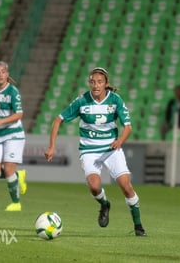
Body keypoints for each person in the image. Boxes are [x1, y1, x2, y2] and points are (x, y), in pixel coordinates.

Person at [44, 67, 147, 236]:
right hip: (89, 150)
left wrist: (119, 141)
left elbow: (128, 127)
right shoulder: (82, 101)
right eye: (92, 82)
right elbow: (57, 120)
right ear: (89, 83)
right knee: (94, 186)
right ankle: (105, 204)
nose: (96, 85)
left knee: (126, 186)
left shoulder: (115, 100)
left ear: (106, 84)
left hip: (111, 149)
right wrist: (51, 146)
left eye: (100, 82)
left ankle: (138, 226)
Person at [0, 61, 27, 212]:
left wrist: (0, 121)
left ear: (7, 74)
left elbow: (19, 114)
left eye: (3, 72)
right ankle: (18, 176)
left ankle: (16, 203)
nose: (0, 75)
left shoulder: (13, 92)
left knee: (7, 169)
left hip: (13, 134)